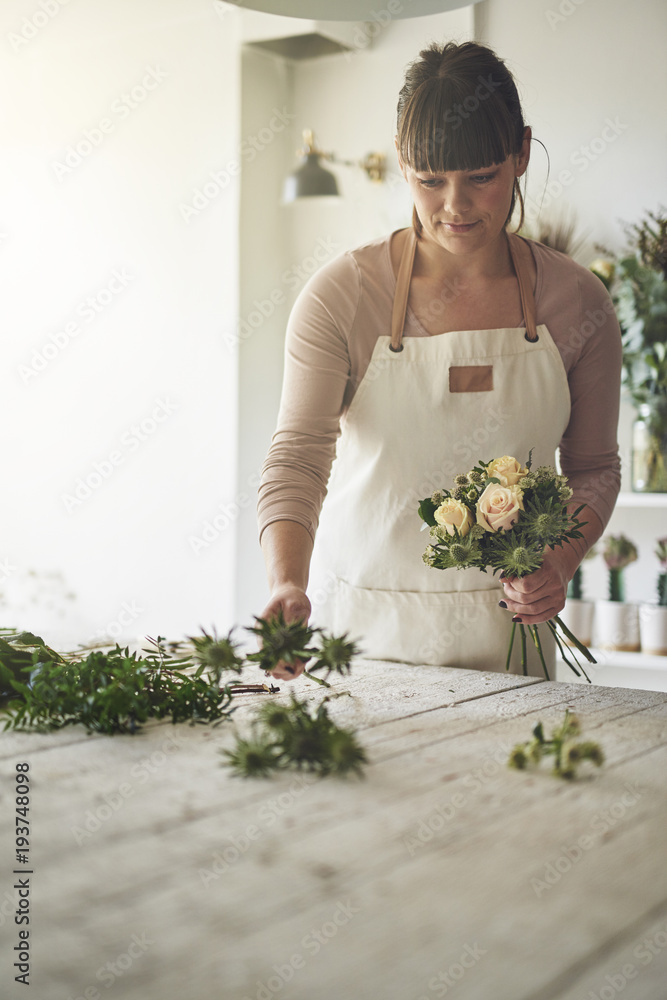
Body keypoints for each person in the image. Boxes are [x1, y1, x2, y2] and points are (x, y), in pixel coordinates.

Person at [257, 40, 622, 681]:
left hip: (511, 645)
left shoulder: (576, 301)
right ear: (403, 163)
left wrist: (559, 563)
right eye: (430, 181)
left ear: (520, 154)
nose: (454, 206)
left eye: (480, 176)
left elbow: (593, 469)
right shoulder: (343, 296)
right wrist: (287, 581)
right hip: (365, 643)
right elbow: (298, 454)